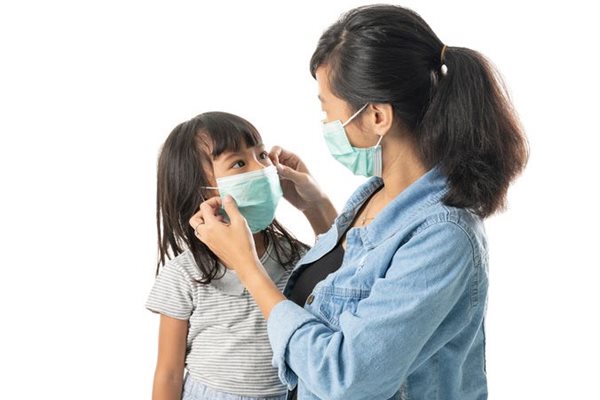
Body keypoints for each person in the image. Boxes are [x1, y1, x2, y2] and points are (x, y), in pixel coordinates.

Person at [191, 5, 528, 400]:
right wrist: (317, 209)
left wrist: (248, 268)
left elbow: (347, 378)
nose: (325, 124)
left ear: (377, 117)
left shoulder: (444, 236)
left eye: (327, 108)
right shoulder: (373, 193)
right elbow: (357, 284)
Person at [146, 111, 308, 400]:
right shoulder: (184, 274)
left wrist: (315, 206)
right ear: (200, 190)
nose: (260, 169)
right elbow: (169, 372)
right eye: (239, 163)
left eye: (262, 155)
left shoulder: (297, 257)